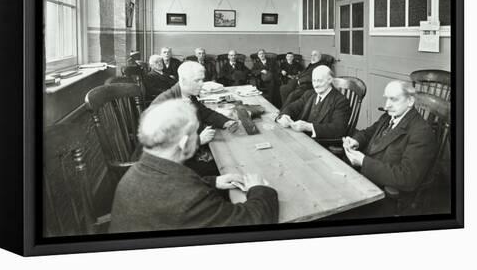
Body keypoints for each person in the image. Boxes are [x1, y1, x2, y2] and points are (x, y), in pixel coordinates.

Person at [109, 99, 279, 233]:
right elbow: (250, 222)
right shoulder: (189, 197)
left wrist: (214, 182)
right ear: (184, 143)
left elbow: (172, 185)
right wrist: (259, 189)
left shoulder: (136, 170)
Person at [342, 81, 437, 212]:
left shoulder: (422, 132)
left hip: (384, 195)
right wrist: (356, 141)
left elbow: (407, 178)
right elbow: (368, 132)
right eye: (386, 98)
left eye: (393, 99)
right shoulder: (388, 116)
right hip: (363, 179)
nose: (386, 105)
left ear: (410, 101)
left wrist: (363, 162)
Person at [151, 61, 240, 175]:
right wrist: (199, 140)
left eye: (202, 79)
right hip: (171, 165)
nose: (202, 84)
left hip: (190, 152)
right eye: (197, 80)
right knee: (229, 166)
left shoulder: (187, 95)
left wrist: (226, 122)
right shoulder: (165, 103)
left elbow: (206, 113)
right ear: (183, 80)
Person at [276, 65, 350, 141]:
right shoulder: (309, 94)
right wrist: (285, 116)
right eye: (314, 81)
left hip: (320, 143)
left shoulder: (341, 101)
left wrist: (309, 127)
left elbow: (338, 129)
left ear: (330, 80)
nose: (316, 85)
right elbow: (292, 107)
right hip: (301, 136)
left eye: (319, 81)